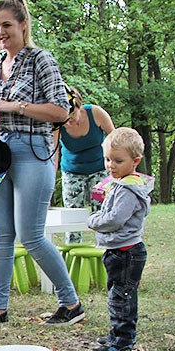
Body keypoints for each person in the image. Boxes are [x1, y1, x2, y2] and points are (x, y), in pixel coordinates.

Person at [0, 0, 84, 327]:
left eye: (6, 25)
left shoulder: (40, 60)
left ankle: (71, 303)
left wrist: (14, 107)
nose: (0, 32)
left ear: (23, 25)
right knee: (0, 232)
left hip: (33, 151)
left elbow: (61, 110)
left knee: (30, 234)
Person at [86, 128, 152, 351]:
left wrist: (93, 220)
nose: (110, 165)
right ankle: (117, 333)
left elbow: (115, 218)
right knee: (117, 293)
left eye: (117, 161)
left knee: (122, 296)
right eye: (107, 159)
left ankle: (123, 341)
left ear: (135, 161)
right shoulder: (120, 183)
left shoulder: (128, 189)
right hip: (117, 250)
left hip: (126, 252)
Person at [58, 86, 115, 243]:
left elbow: (115, 140)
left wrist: (117, 169)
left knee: (102, 211)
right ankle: (73, 253)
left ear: (79, 106)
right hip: (72, 172)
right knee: (72, 216)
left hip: (99, 170)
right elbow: (53, 152)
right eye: (64, 119)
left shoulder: (96, 114)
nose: (68, 123)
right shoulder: (57, 125)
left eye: (72, 116)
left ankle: (105, 248)